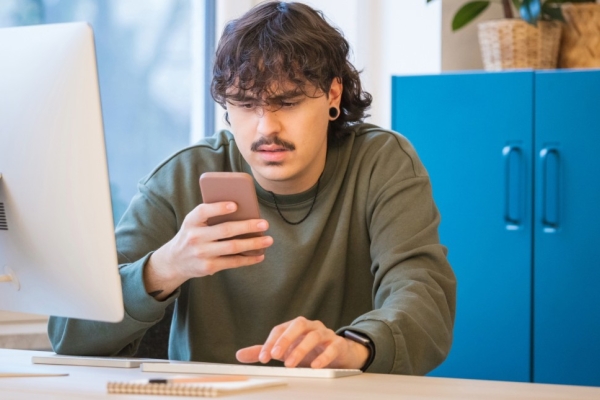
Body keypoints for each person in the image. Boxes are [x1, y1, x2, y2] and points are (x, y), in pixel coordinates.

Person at [49, 1, 456, 375]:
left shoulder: (381, 163)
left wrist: (355, 346)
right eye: (245, 104)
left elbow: (423, 297)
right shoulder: (183, 176)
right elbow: (68, 331)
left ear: (332, 95)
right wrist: (165, 267)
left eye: (289, 102)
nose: (266, 128)